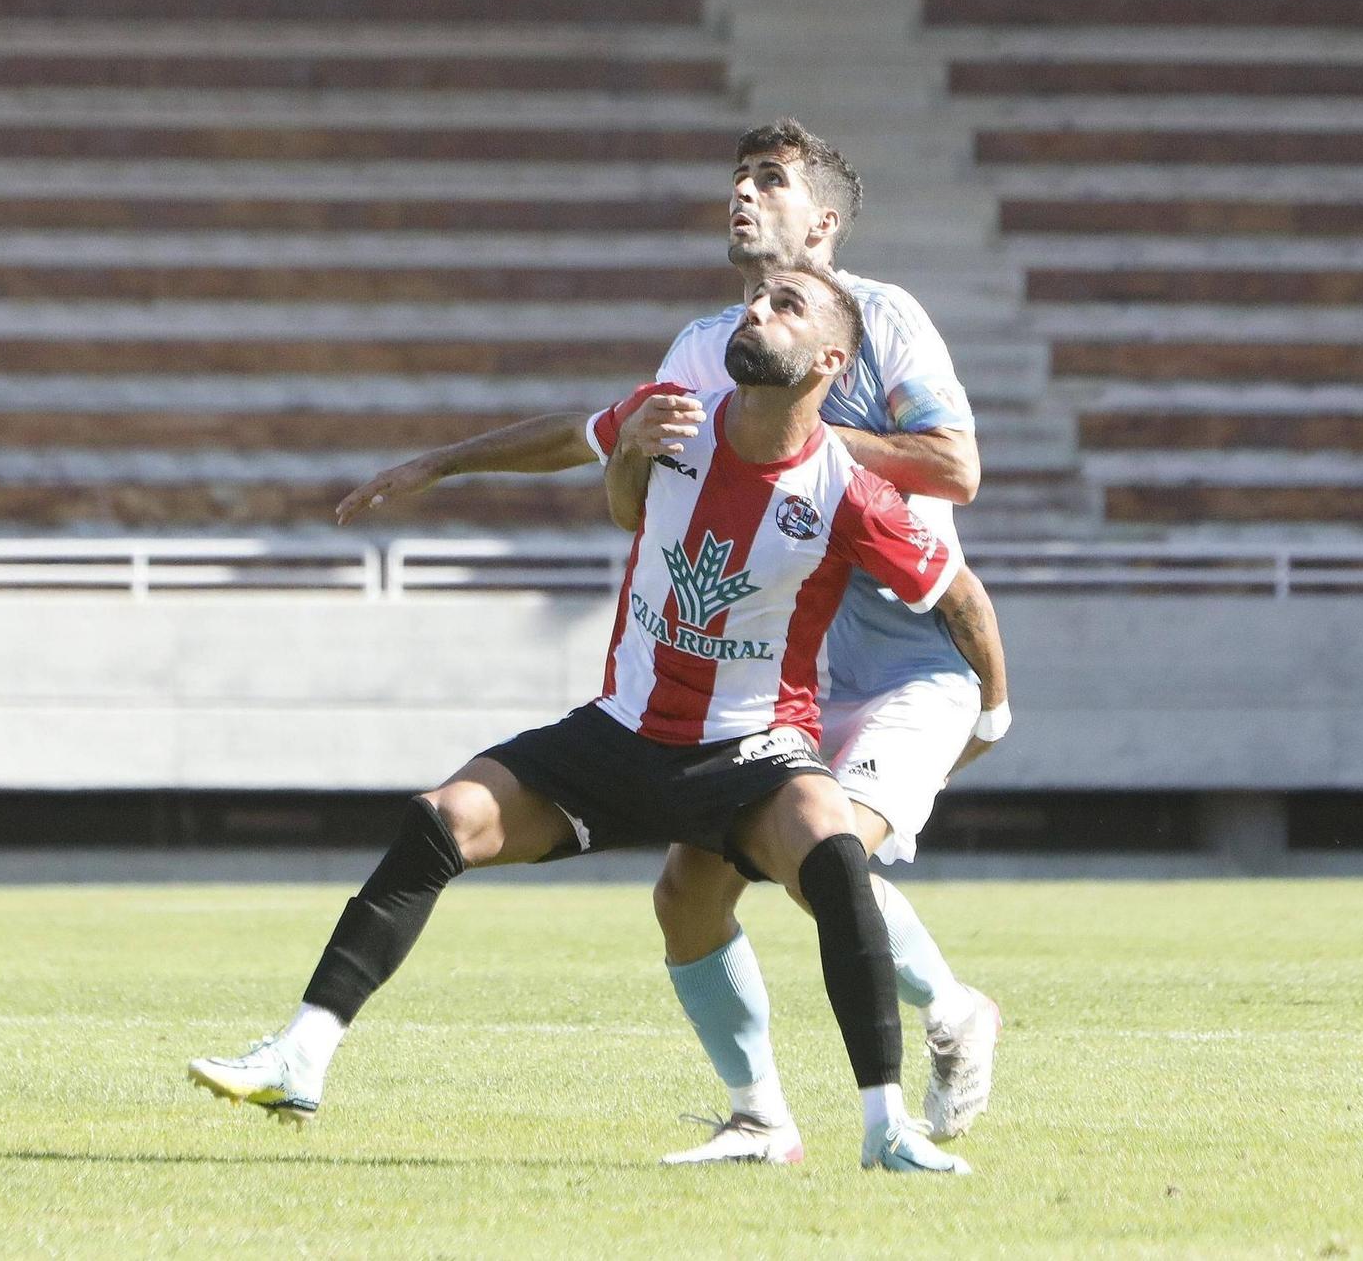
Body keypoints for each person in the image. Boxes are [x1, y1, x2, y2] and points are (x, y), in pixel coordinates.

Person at [191, 265, 1006, 1175]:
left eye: (788, 305)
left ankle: (884, 1126)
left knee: (830, 855)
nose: (758, 308)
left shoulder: (849, 491)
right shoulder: (672, 413)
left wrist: (995, 710)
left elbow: (959, 592)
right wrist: (440, 463)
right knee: (441, 819)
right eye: (757, 297)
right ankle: (300, 1055)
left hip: (752, 749)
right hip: (619, 731)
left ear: (830, 359)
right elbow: (569, 440)